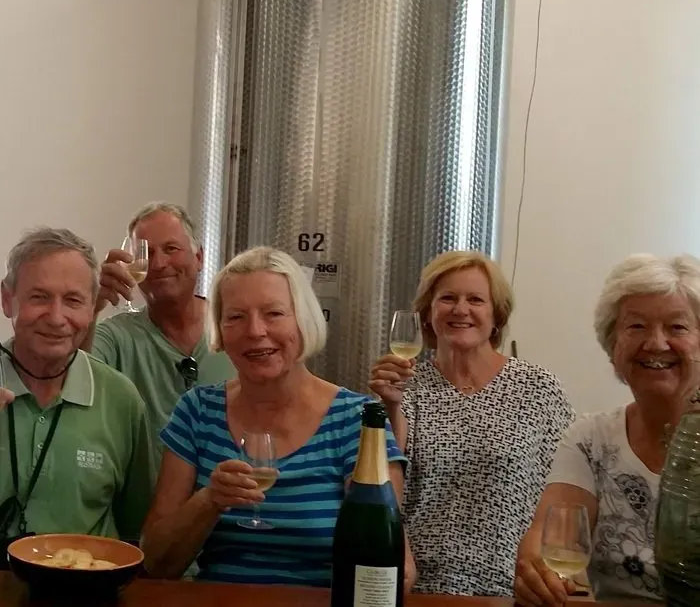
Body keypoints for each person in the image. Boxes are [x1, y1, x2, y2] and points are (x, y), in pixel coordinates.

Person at [140, 246, 412, 587]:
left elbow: (396, 573)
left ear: (303, 320)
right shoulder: (197, 411)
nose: (255, 331)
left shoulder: (356, 421)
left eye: (274, 313)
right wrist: (208, 501)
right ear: (220, 332)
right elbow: (156, 563)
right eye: (236, 316)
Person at [0, 227, 156, 568]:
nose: (56, 317)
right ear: (8, 300)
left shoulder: (121, 399)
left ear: (92, 305)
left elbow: (138, 533)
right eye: (39, 297)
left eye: (73, 300)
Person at [368, 250, 573, 597]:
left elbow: (564, 492)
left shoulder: (538, 388)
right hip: (419, 587)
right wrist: (389, 405)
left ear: (496, 316)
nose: (460, 310)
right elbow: (385, 480)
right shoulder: (404, 388)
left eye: (475, 299)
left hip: (513, 588)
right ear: (428, 314)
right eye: (447, 298)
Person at [514, 253, 700, 606]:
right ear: (612, 346)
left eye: (677, 327)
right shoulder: (590, 438)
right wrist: (541, 570)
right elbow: (551, 539)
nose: (657, 343)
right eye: (636, 327)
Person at [90, 202, 237, 458]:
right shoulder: (116, 336)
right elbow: (68, 374)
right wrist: (90, 304)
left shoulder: (238, 329)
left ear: (199, 257)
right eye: (146, 255)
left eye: (171, 249)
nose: (158, 264)